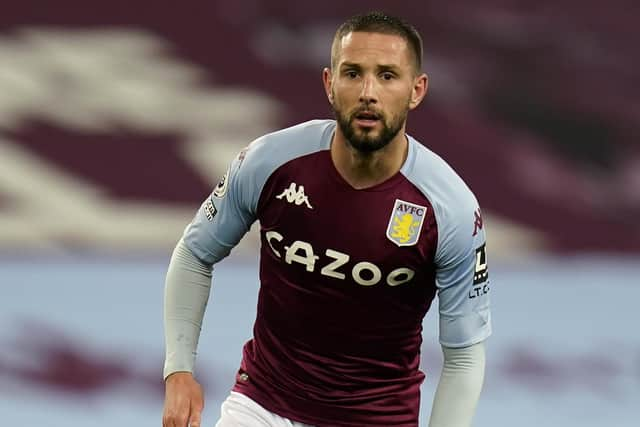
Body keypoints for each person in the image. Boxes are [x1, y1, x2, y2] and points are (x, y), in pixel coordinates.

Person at [162, 11, 491, 427]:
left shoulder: (452, 209)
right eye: (353, 73)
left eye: (388, 75)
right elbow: (195, 252)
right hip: (262, 405)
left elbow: (464, 355)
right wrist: (178, 371)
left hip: (374, 419)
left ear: (416, 90)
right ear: (329, 84)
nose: (368, 92)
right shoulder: (269, 162)